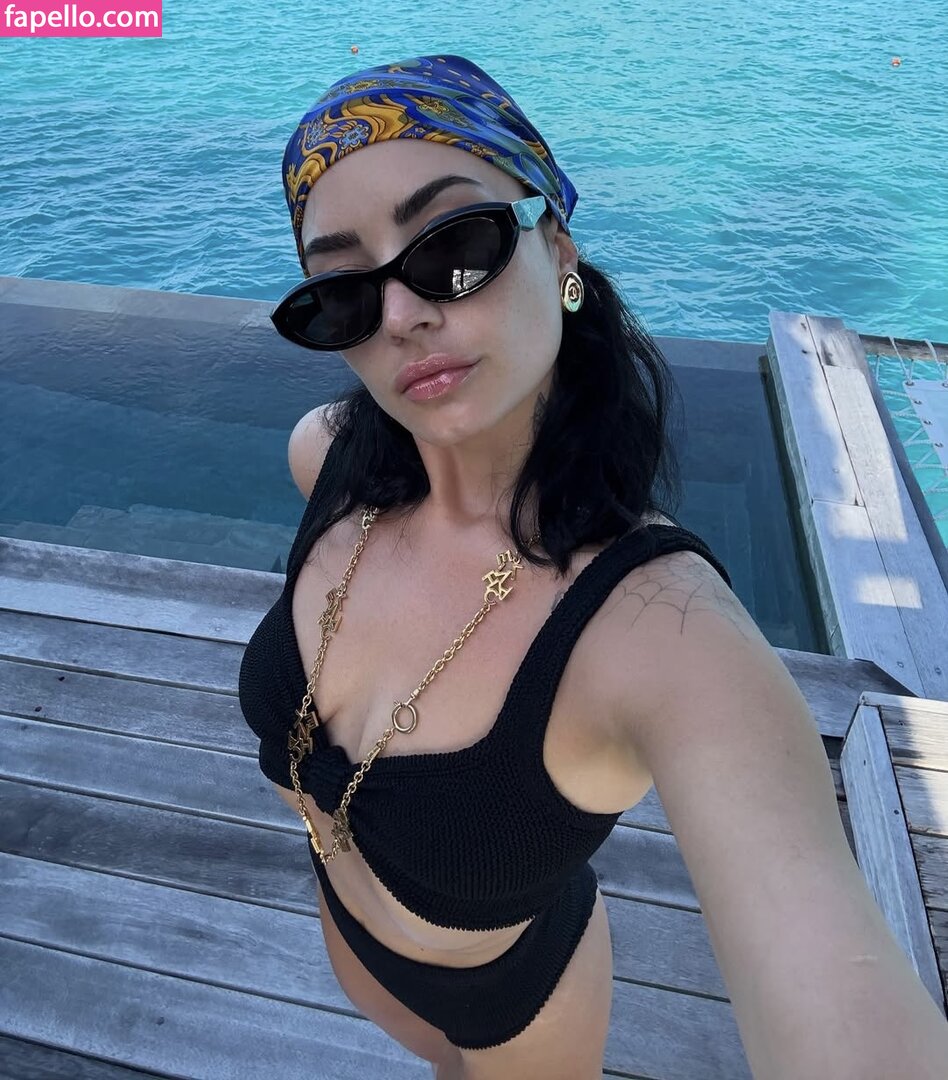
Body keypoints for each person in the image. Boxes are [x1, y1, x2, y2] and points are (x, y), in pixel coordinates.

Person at [238, 54, 948, 1080]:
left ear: (556, 246)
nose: (399, 317)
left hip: (515, 1007)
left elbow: (834, 986)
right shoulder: (329, 458)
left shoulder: (663, 630)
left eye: (455, 247)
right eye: (342, 292)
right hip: (351, 945)